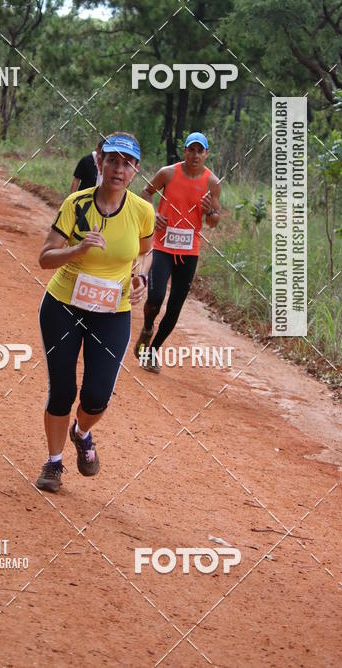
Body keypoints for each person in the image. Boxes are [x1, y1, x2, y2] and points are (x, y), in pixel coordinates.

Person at [35, 132, 155, 493]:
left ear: (136, 170)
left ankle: (82, 432)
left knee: (97, 396)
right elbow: (45, 258)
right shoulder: (76, 204)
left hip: (112, 311)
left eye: (127, 163)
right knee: (62, 390)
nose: (119, 169)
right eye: (112, 160)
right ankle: (53, 462)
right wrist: (76, 251)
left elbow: (145, 252)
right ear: (100, 161)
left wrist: (141, 277)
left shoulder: (142, 211)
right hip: (63, 306)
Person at [134, 132, 221, 373]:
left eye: (200, 151)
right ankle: (148, 327)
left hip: (189, 252)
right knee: (155, 298)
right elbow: (146, 192)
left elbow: (214, 221)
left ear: (206, 154)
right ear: (184, 151)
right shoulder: (168, 173)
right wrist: (154, 214)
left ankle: (152, 352)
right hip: (163, 246)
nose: (195, 155)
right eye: (191, 150)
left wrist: (209, 212)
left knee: (174, 307)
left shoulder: (212, 183)